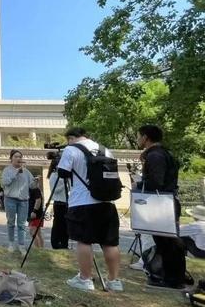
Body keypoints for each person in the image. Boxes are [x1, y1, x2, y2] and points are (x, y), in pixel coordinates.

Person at [57, 127, 123, 292]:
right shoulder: (105, 150)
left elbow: (63, 173)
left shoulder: (71, 149)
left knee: (84, 240)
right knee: (110, 242)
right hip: (107, 202)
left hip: (83, 201)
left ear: (72, 138)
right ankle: (114, 281)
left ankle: (85, 279)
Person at [134, 124, 186, 289]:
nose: (137, 139)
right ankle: (171, 276)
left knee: (167, 242)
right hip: (167, 201)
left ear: (146, 137)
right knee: (168, 241)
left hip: (161, 203)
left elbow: (157, 181)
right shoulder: (164, 153)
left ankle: (172, 279)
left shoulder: (155, 155)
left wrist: (140, 183)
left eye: (138, 136)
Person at [1, 150, 37, 254]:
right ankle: (11, 244)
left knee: (22, 224)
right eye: (16, 156)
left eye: (20, 157)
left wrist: (35, 182)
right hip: (10, 199)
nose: (18, 159)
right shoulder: (7, 170)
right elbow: (4, 183)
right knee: (11, 222)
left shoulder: (26, 171)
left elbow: (32, 186)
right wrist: (16, 173)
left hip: (24, 201)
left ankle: (21, 245)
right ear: (11, 158)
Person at [47, 153, 69, 249]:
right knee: (58, 224)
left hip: (67, 202)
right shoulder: (54, 175)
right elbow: (54, 190)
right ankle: (55, 243)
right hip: (59, 202)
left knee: (66, 224)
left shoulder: (65, 176)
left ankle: (65, 243)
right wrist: (63, 182)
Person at [27, 182, 44, 248]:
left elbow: (38, 200)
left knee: (33, 232)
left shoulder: (35, 189)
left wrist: (34, 211)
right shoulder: (30, 189)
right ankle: (41, 249)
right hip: (34, 214)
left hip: (36, 214)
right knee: (38, 233)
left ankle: (38, 249)